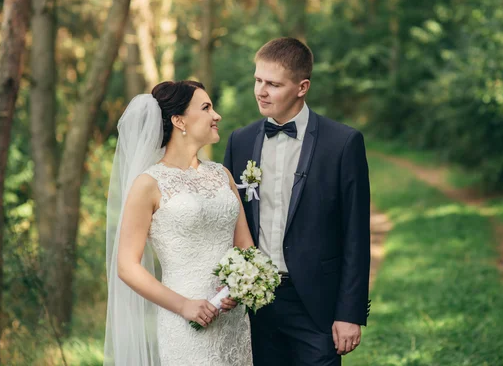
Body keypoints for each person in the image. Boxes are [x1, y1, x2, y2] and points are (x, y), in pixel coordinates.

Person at [224, 37, 371, 366]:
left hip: (316, 304)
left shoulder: (343, 143)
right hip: (256, 305)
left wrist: (350, 313)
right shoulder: (240, 141)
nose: (261, 91)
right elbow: (233, 221)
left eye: (273, 84)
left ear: (302, 87)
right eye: (258, 80)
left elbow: (356, 236)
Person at [104, 80, 255, 365]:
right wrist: (184, 305)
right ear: (178, 120)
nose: (216, 115)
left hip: (232, 318)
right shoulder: (148, 184)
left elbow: (246, 247)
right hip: (184, 320)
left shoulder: (222, 175)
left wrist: (237, 289)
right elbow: (126, 266)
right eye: (206, 107)